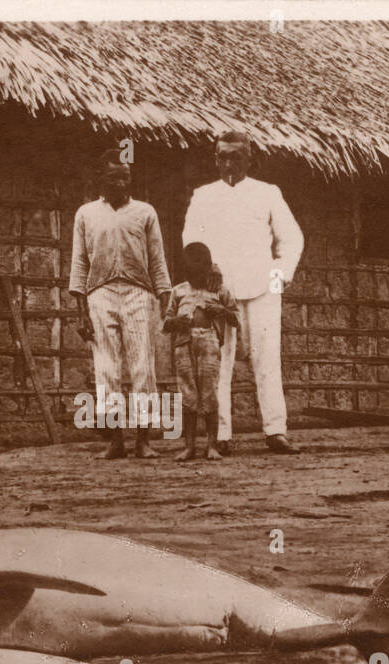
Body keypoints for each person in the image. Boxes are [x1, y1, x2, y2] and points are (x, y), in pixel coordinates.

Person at [182, 130, 304, 454]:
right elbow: (191, 240)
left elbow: (291, 239)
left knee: (267, 360)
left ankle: (275, 430)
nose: (228, 163)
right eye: (222, 156)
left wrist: (279, 279)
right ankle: (220, 435)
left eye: (236, 156)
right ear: (215, 159)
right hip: (219, 291)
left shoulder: (268, 193)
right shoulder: (203, 195)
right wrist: (206, 274)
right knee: (217, 362)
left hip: (263, 288)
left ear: (250, 158)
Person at [69, 150, 172, 459]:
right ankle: (116, 442)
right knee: (107, 369)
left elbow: (157, 261)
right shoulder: (86, 214)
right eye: (113, 177)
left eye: (125, 177)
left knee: (143, 367)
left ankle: (143, 441)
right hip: (99, 295)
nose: (120, 183)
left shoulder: (145, 213)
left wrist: (164, 300)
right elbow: (79, 264)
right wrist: (81, 312)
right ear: (102, 179)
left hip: (139, 294)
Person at [163, 243, 237, 461]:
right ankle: (189, 446)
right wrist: (177, 321)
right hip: (184, 345)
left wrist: (221, 310)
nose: (196, 279)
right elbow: (166, 323)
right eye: (191, 274)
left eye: (200, 274)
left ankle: (212, 445)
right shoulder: (178, 291)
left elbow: (235, 318)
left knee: (209, 395)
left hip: (209, 344)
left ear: (208, 269)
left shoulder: (219, 290)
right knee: (188, 395)